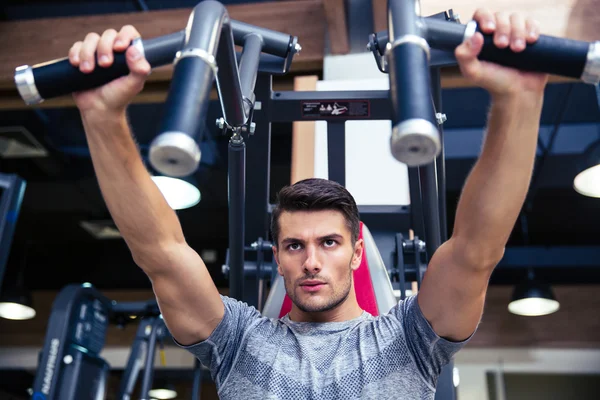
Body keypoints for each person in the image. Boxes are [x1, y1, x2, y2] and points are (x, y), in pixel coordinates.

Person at [69, 8, 548, 399]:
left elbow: (476, 250)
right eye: (295, 246)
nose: (312, 261)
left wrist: (518, 102)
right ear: (276, 257)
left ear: (357, 252)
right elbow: (160, 253)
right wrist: (101, 118)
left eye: (330, 242)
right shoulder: (239, 341)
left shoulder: (409, 341)